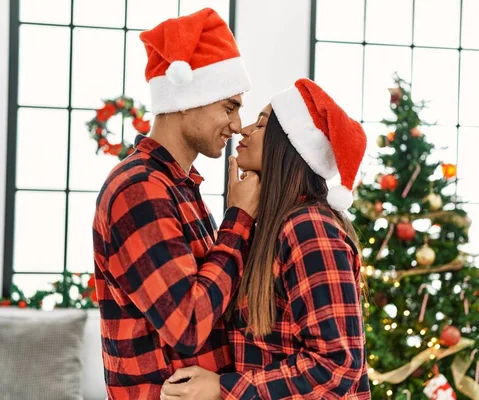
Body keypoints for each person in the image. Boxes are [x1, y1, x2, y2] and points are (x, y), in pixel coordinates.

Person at [161, 78, 371, 399]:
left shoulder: (310, 228)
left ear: (287, 145)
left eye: (261, 124)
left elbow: (337, 366)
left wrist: (223, 388)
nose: (243, 130)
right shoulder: (272, 228)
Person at [92, 8, 260, 399]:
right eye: (229, 107)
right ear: (186, 100)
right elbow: (188, 326)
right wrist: (238, 219)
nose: (237, 126)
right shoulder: (140, 189)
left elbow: (216, 301)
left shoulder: (178, 186)